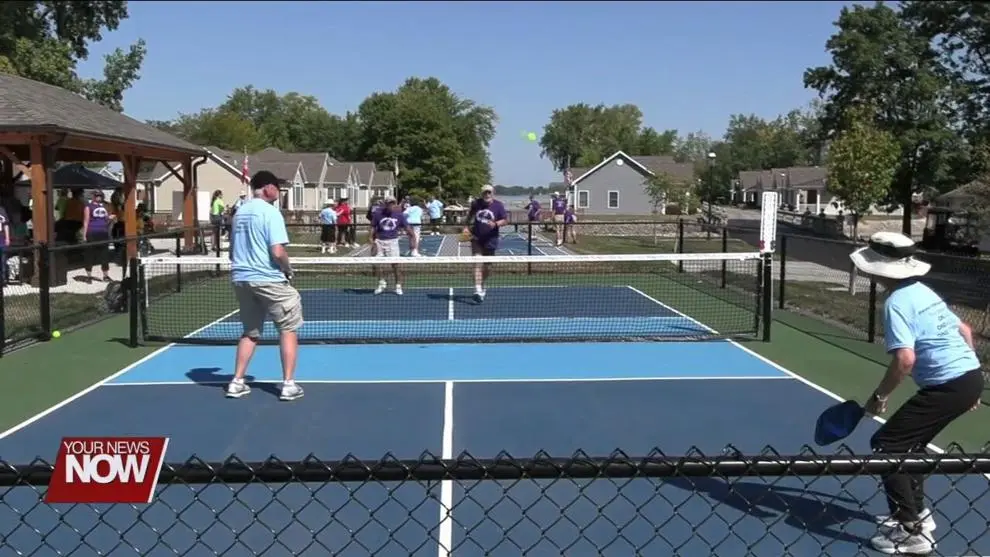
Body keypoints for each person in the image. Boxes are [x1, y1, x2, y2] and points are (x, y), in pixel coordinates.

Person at [849, 232, 983, 555]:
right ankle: (918, 513)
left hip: (949, 385)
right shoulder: (922, 291)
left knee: (886, 445)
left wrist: (880, 397)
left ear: (878, 270)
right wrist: (973, 381)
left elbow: (905, 359)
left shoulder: (896, 303)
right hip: (969, 378)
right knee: (912, 445)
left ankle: (910, 531)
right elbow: (965, 330)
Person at [226, 170, 304, 402]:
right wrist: (288, 269)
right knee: (288, 328)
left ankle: (236, 381)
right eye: (277, 187)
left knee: (250, 332)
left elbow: (231, 251)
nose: (278, 191)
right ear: (268, 189)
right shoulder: (271, 213)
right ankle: (288, 385)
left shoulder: (239, 213)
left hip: (241, 279)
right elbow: (277, 251)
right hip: (268, 278)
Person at [464, 184, 508, 302]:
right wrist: (466, 227)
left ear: (492, 193)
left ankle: (481, 283)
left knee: (488, 268)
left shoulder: (498, 205)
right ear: (482, 194)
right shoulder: (476, 204)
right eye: (485, 193)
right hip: (476, 239)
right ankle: (477, 289)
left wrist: (496, 224)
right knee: (477, 262)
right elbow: (469, 216)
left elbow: (505, 220)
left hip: (491, 240)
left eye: (489, 192)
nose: (487, 195)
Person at [372, 196, 414, 295]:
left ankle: (398, 286)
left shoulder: (399, 215)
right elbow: (373, 227)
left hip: (392, 242)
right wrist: (371, 240)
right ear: (385, 204)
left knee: (395, 265)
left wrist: (412, 238)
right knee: (376, 263)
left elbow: (407, 228)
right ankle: (381, 283)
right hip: (379, 241)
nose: (391, 205)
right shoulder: (378, 214)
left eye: (393, 203)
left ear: (395, 204)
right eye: (389, 203)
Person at [82, 191, 115, 282]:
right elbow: (86, 221)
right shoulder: (88, 207)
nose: (99, 197)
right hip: (92, 232)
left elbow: (106, 220)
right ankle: (89, 276)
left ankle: (106, 275)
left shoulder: (103, 207)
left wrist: (109, 218)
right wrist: (84, 235)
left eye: (100, 196)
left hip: (103, 232)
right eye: (97, 196)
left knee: (104, 254)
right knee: (90, 254)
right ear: (93, 196)